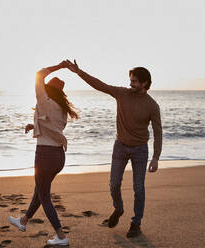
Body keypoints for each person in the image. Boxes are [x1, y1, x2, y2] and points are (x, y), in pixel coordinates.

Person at [65, 59, 162, 238]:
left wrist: (156, 157)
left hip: (140, 149)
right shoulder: (121, 93)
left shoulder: (152, 105)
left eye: (134, 81)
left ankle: (136, 223)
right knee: (113, 184)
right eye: (130, 80)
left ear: (144, 83)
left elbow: (158, 132)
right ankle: (118, 209)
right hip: (120, 146)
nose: (130, 83)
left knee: (138, 188)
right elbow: (99, 85)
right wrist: (79, 72)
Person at [9, 61, 78, 246]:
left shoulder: (44, 99)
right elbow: (52, 126)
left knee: (45, 196)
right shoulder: (62, 109)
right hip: (58, 157)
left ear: (48, 89)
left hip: (45, 155)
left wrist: (60, 65)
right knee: (40, 191)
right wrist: (34, 125)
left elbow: (39, 73)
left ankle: (61, 236)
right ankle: (23, 221)